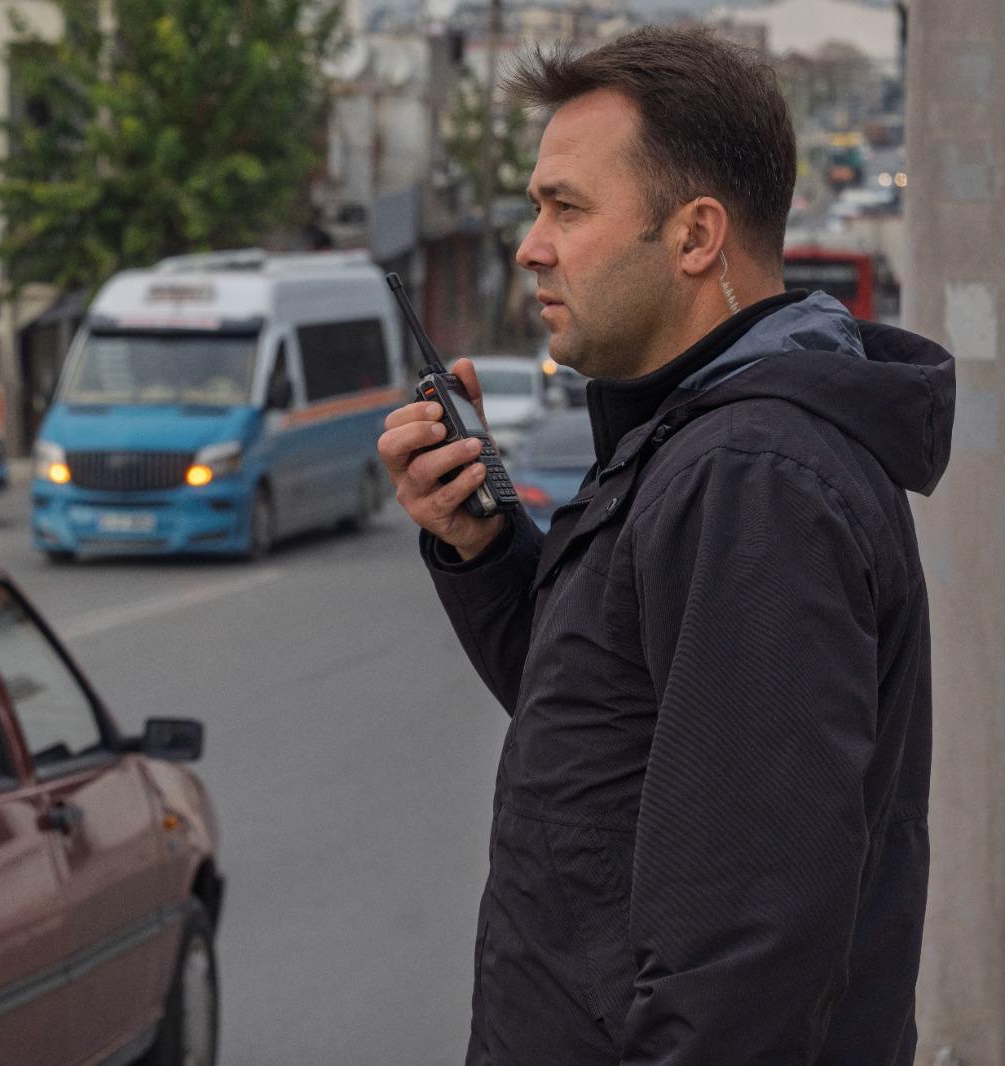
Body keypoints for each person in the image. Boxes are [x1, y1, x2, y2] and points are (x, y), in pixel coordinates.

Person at [377, 28, 955, 1065]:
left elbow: (748, 951)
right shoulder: (698, 445)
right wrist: (484, 545)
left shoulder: (754, 480)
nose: (530, 246)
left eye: (566, 208)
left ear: (694, 236)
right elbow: (609, 740)